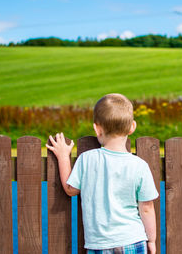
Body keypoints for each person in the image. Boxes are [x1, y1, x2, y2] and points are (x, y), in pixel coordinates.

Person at [46, 93, 158, 254]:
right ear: (132, 127)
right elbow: (146, 207)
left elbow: (70, 190)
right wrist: (152, 240)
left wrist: (63, 156)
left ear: (97, 129)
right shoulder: (139, 166)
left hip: (99, 245)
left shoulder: (87, 159)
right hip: (133, 240)